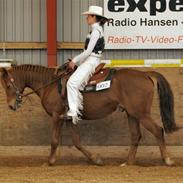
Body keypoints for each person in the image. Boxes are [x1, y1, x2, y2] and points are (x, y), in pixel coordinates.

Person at [63, 6, 108, 124]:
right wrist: (78, 61)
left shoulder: (96, 32)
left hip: (91, 62)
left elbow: (88, 52)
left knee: (71, 83)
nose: (86, 18)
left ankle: (73, 112)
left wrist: (74, 60)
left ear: (94, 17)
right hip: (89, 60)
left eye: (88, 16)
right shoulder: (95, 30)